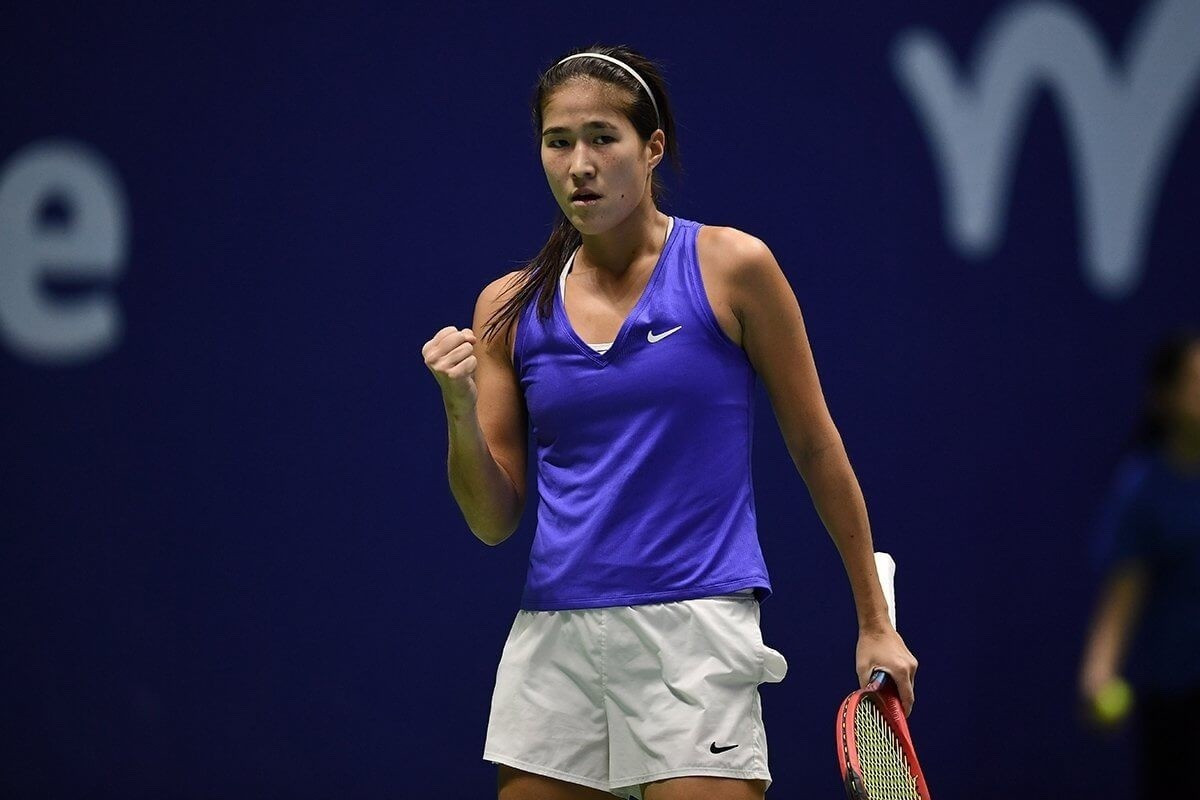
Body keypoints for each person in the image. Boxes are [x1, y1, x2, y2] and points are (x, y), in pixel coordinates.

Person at [421, 44, 918, 800]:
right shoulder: (510, 306)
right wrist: (459, 411)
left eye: (603, 138)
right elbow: (492, 520)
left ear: (652, 148)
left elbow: (816, 446)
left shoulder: (731, 267)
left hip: (695, 637)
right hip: (554, 642)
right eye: (558, 142)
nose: (579, 165)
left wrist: (874, 621)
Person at [1079, 331, 1200, 800]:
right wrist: (1099, 671)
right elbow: (1124, 592)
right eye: (1194, 381)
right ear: (1163, 398)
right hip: (1176, 699)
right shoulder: (1143, 489)